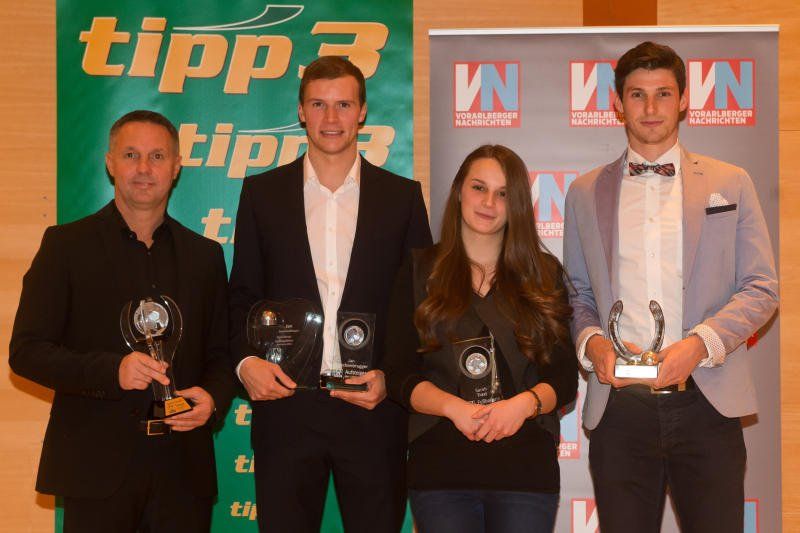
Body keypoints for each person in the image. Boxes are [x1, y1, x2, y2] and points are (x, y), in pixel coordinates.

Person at [563, 41, 779, 532]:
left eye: (663, 93)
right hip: (620, 407)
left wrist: (698, 345)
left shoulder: (732, 182)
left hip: (708, 403)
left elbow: (761, 287)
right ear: (617, 104)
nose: (651, 107)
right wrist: (593, 344)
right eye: (637, 95)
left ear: (684, 99)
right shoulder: (583, 192)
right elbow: (577, 293)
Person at [228, 56, 432, 532]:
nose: (331, 118)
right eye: (318, 104)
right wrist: (244, 362)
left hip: (373, 409)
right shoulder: (262, 194)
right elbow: (242, 295)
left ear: (362, 111)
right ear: (301, 111)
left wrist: (394, 378)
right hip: (287, 408)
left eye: (343, 104)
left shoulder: (401, 198)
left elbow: (420, 306)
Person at [9, 110, 235, 531]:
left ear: (176, 166)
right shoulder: (65, 246)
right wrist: (111, 371)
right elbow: (27, 352)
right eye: (131, 155)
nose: (144, 168)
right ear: (110, 163)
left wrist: (213, 398)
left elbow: (222, 354)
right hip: (96, 469)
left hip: (183, 472)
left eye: (157, 156)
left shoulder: (205, 256)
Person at [383, 144, 578, 533]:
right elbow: (399, 373)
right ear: (459, 191)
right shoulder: (420, 270)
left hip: (525, 468)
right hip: (440, 468)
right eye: (479, 188)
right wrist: (454, 408)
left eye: (503, 193)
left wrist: (522, 406)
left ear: (516, 204)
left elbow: (563, 377)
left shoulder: (543, 274)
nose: (489, 202)